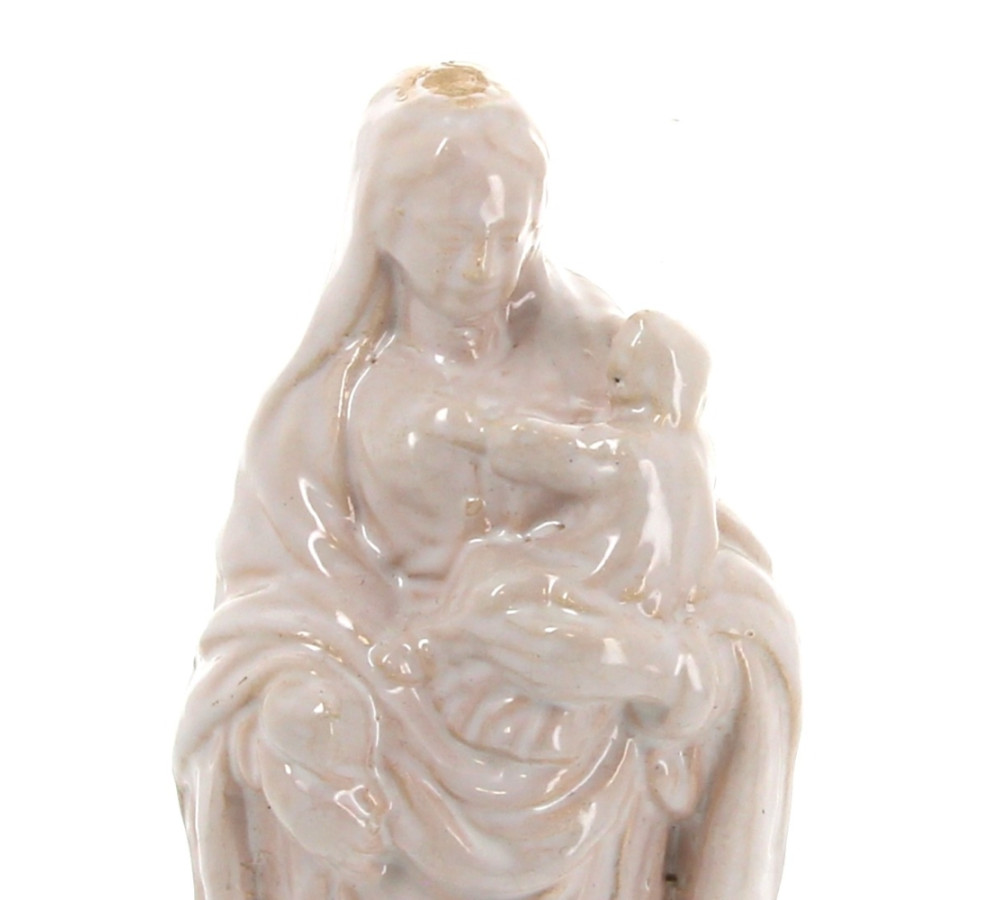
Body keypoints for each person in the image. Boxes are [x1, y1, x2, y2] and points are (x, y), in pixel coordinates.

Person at [174, 63, 799, 900]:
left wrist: (658, 666)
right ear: (386, 227)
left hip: (578, 750)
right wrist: (302, 712)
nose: (482, 266)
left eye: (508, 237)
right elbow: (264, 623)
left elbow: (706, 567)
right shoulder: (324, 412)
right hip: (399, 736)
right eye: (451, 238)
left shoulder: (605, 371)